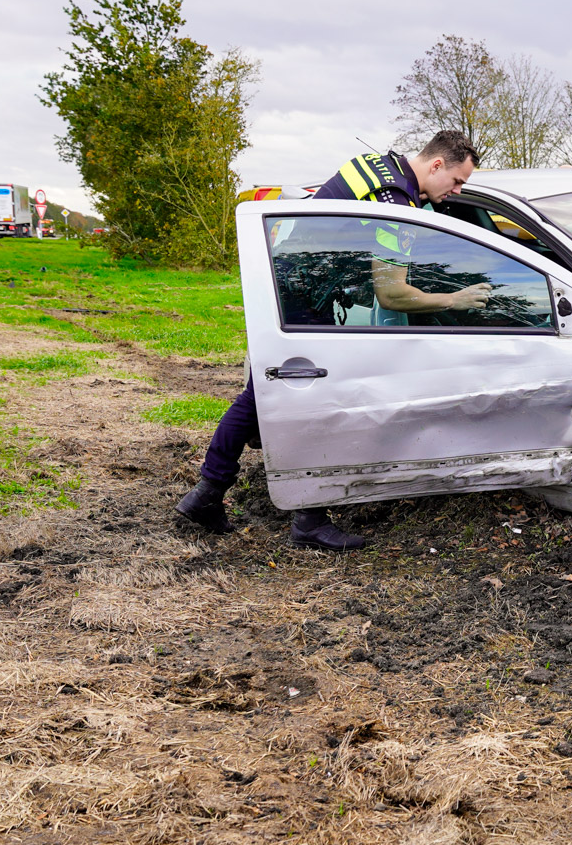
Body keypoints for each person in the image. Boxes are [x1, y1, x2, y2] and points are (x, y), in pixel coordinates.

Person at [174, 129, 482, 549]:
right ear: (436, 165)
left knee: (258, 399)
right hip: (306, 296)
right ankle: (308, 520)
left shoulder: (374, 165)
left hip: (286, 283)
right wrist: (456, 298)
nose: (457, 190)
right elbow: (391, 293)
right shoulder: (396, 206)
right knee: (315, 402)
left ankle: (206, 496)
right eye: (457, 180)